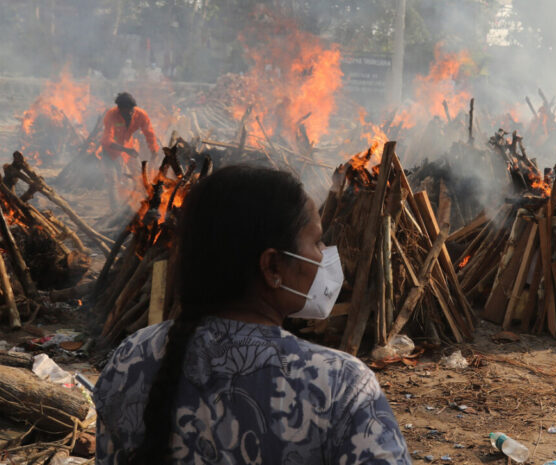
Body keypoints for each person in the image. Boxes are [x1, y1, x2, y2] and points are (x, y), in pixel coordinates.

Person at [93, 166, 411, 465]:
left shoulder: (130, 360)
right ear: (272, 266)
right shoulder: (337, 384)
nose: (323, 254)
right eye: (316, 241)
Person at [101, 92, 160, 209]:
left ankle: (142, 204)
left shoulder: (141, 115)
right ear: (119, 109)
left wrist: (154, 151)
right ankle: (115, 210)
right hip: (110, 152)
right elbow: (107, 140)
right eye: (126, 111)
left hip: (129, 149)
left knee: (139, 176)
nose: (129, 114)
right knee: (113, 180)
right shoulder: (111, 115)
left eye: (131, 110)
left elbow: (149, 134)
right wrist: (125, 150)